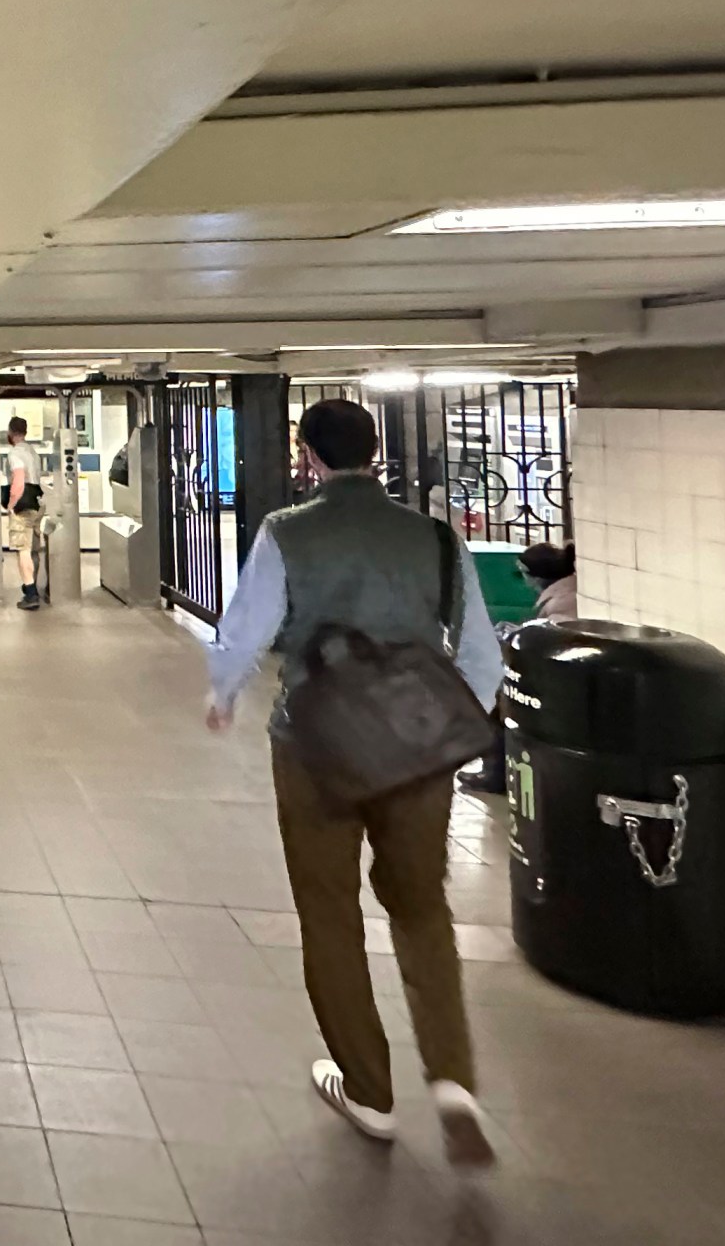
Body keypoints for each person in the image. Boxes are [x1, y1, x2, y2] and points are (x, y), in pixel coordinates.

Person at [203, 398, 501, 1167]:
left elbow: (248, 627)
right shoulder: (433, 537)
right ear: (375, 452)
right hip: (417, 747)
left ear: (307, 457)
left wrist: (223, 693)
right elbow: (480, 655)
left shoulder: (288, 531)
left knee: (329, 910)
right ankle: (454, 1079)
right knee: (422, 906)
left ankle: (368, 1088)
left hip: (318, 746)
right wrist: (447, 728)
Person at [458, 541, 578, 795]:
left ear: (532, 575)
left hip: (559, 683)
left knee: (494, 700)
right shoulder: (567, 591)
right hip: (563, 678)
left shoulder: (560, 604)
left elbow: (554, 644)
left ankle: (495, 773)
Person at [2, 417, 45, 610]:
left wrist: (11, 504)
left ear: (10, 433)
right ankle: (33, 583)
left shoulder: (15, 453)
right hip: (38, 502)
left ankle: (30, 592)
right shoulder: (33, 452)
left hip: (23, 504)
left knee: (23, 549)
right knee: (33, 548)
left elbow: (18, 481)